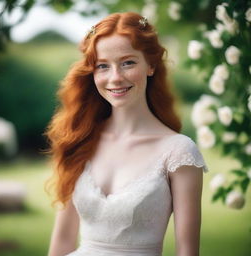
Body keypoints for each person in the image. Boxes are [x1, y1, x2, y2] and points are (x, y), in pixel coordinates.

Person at [45, 11, 209, 256]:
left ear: (151, 65)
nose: (115, 78)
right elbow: (62, 243)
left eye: (128, 62)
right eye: (103, 66)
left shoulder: (178, 152)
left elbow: (187, 251)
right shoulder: (80, 138)